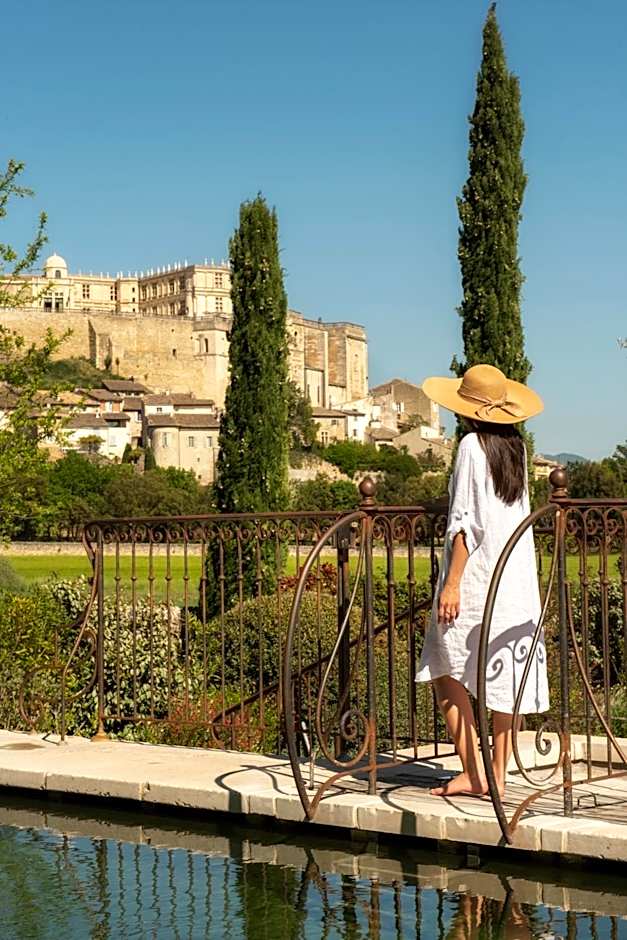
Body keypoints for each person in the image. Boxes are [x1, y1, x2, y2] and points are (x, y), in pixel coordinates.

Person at [416, 363, 549, 797]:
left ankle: (474, 772)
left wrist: (451, 583)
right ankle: (498, 775)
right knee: (505, 672)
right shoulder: (516, 449)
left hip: (476, 577)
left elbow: (466, 524)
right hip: (512, 578)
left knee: (444, 664)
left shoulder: (472, 446)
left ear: (465, 410)